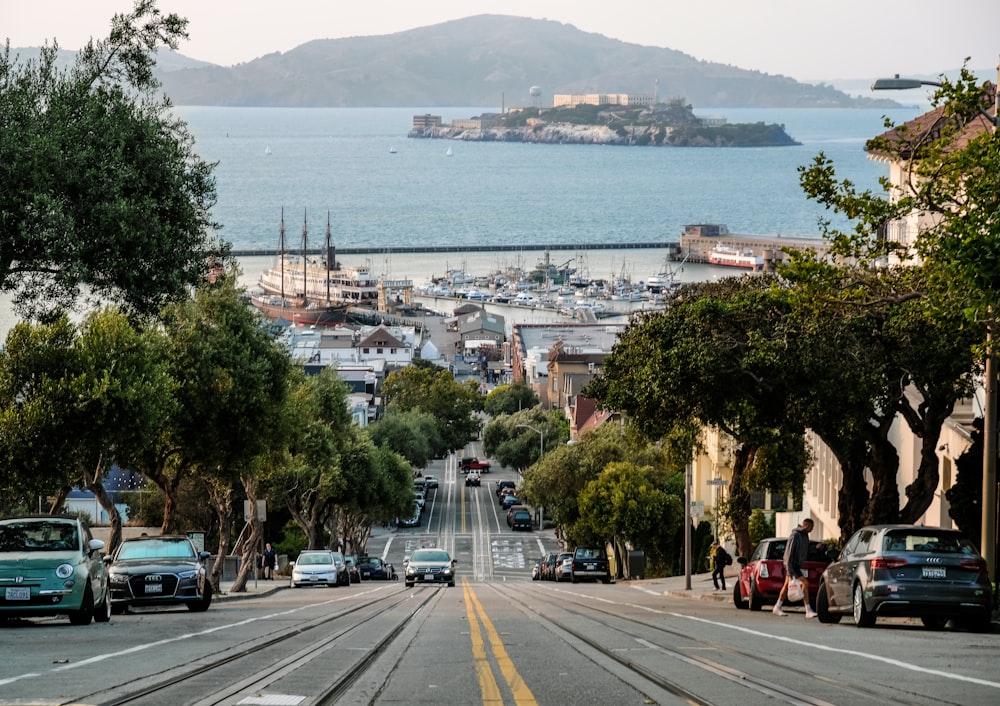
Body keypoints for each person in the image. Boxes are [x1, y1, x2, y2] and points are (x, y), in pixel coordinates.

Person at [773, 518, 817, 618]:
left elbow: (805, 550)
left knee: (786, 585)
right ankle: (807, 609)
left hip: (796, 565)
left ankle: (777, 606)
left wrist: (816, 548)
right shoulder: (796, 535)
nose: (812, 529)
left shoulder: (804, 536)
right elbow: (789, 552)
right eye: (811, 527)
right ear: (806, 526)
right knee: (805, 583)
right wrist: (790, 569)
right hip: (792, 565)